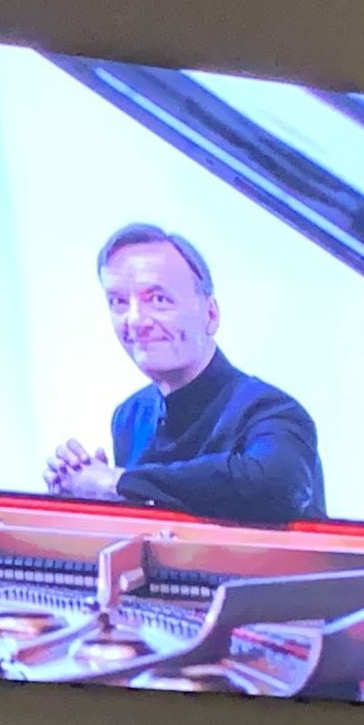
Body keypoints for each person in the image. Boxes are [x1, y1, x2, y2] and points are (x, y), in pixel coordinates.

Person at [44, 224, 325, 525]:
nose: (135, 320)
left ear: (211, 315)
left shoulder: (272, 410)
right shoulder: (130, 416)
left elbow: (274, 487)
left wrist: (116, 482)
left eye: (158, 299)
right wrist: (95, 503)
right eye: (119, 302)